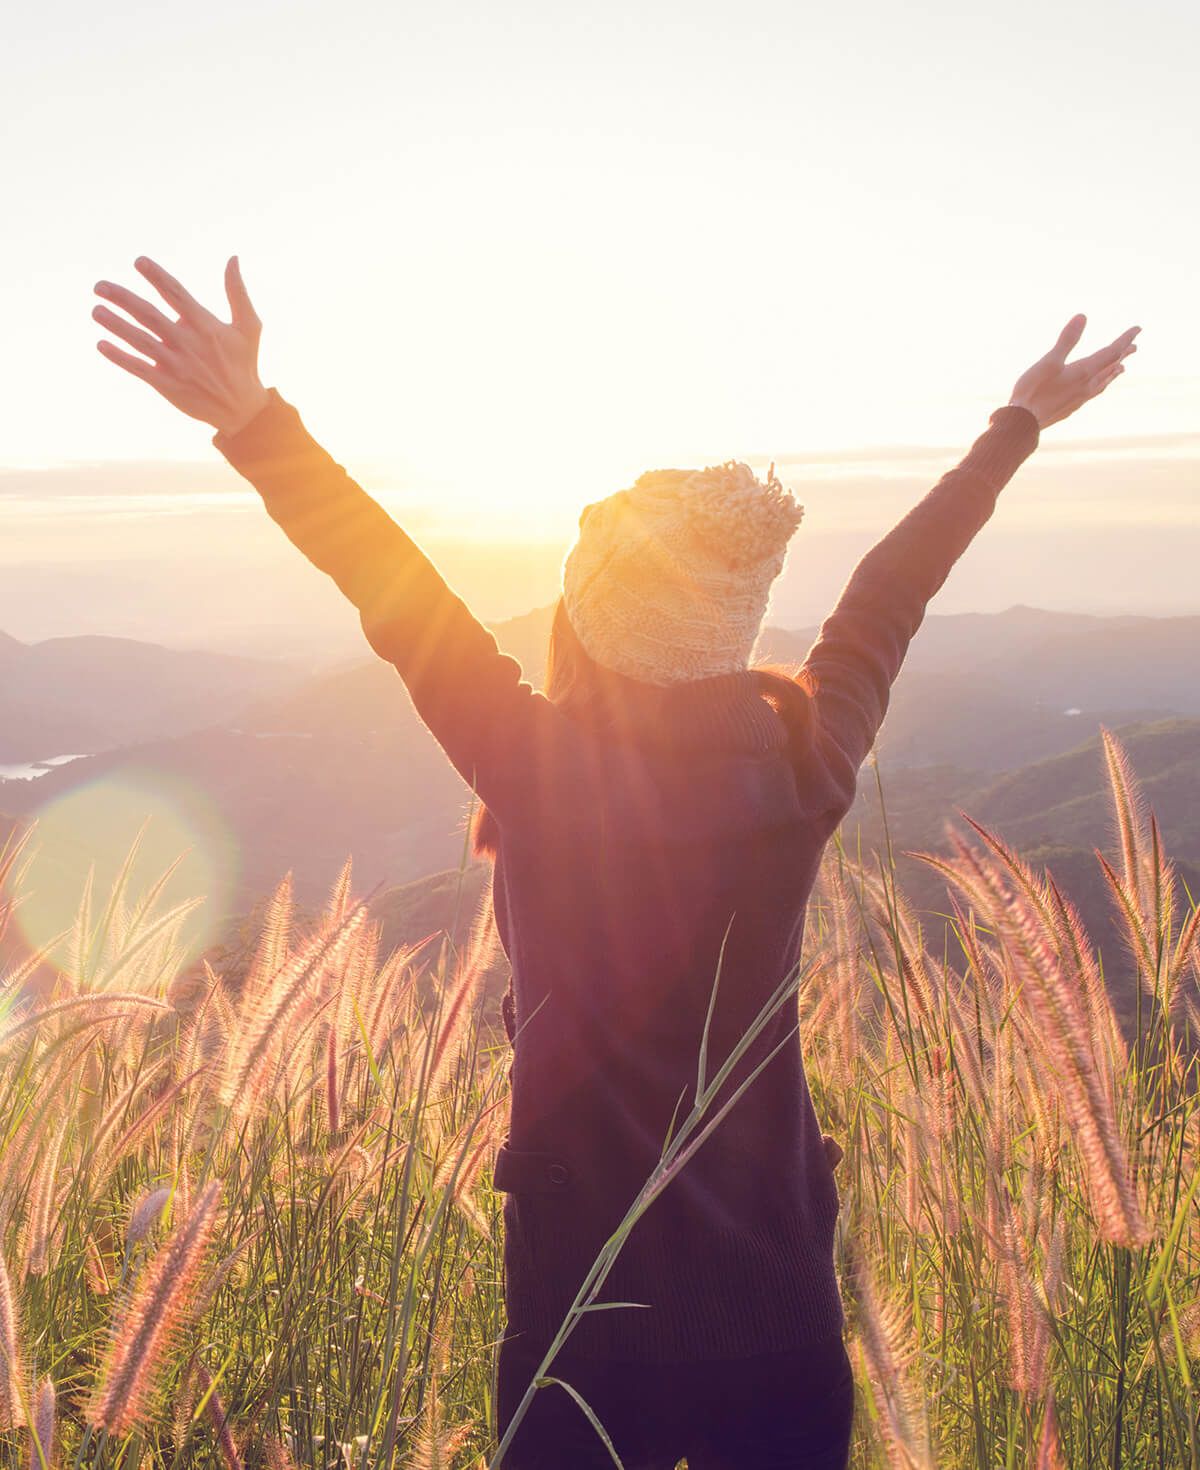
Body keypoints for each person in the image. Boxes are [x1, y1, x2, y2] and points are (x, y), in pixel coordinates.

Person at [93, 257, 1138, 1469]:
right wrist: (1015, 425)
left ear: (584, 621)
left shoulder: (539, 768)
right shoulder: (808, 764)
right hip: (778, 1302)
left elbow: (397, 594)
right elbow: (887, 597)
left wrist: (257, 424)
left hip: (579, 1320)